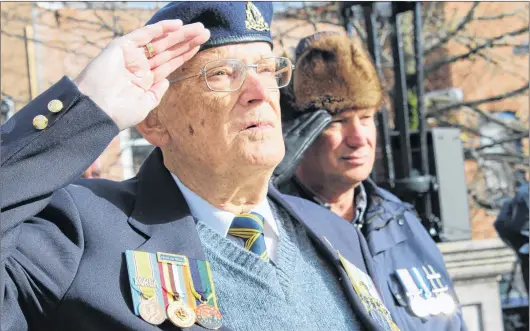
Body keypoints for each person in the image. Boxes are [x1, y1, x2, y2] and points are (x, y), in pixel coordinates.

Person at [1, 3, 400, 331]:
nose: (260, 93)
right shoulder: (83, 228)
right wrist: (81, 110)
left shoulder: (334, 233)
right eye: (223, 75)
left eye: (267, 70)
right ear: (154, 120)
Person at [274, 31, 468, 330]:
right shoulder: (276, 231)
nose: (359, 139)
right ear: (300, 132)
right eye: (338, 121)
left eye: (366, 119)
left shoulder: (400, 221)